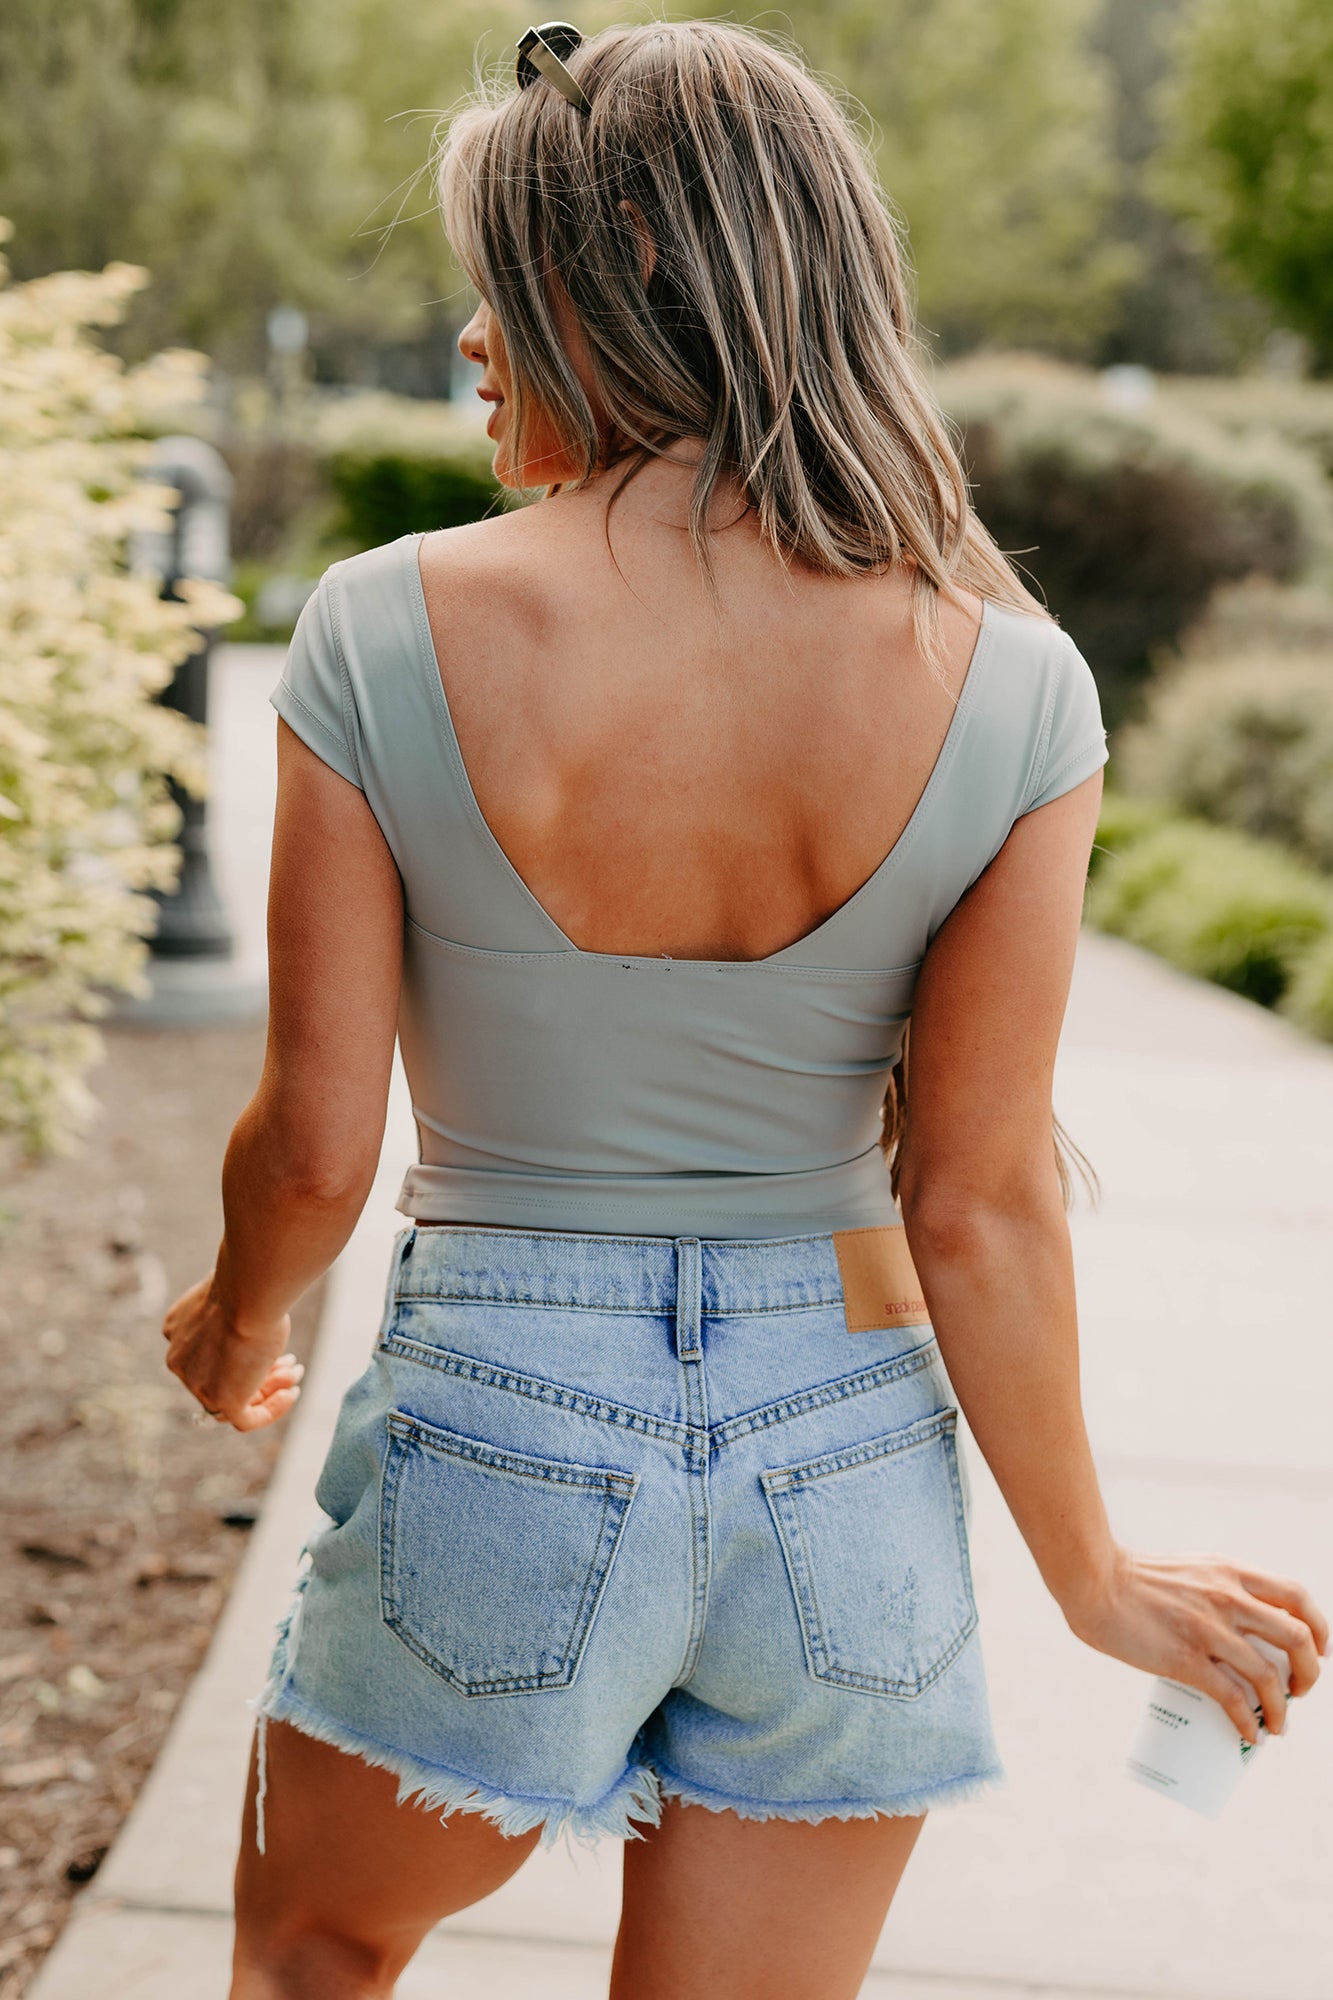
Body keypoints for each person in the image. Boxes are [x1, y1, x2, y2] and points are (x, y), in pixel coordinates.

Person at [161, 21, 1327, 2000]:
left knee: (310, 1955)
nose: (470, 339)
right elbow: (977, 1198)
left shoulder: (384, 624)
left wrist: (236, 1315)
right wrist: (1091, 1574)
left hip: (501, 1420)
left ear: (622, 277)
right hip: (849, 1463)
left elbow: (317, 1153)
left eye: (500, 282)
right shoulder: (1015, 682)